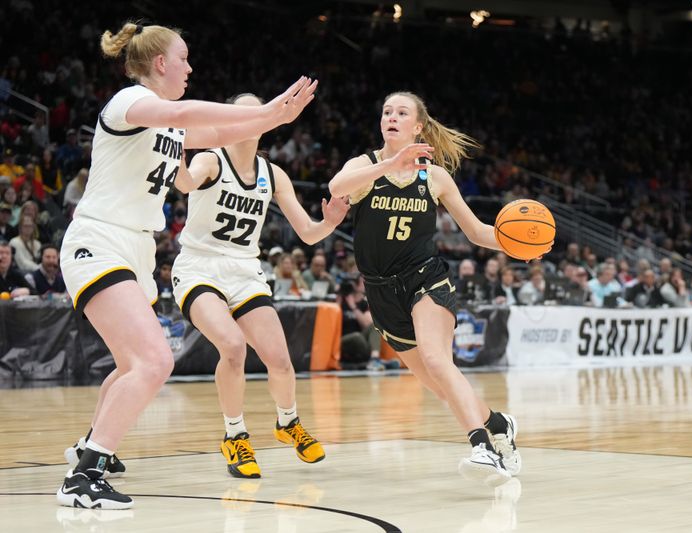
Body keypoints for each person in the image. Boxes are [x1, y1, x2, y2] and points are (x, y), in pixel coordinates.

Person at [57, 21, 317, 510]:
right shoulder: (129, 102)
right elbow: (189, 113)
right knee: (156, 361)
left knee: (132, 364)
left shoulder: (171, 124)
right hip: (100, 239)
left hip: (134, 248)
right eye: (184, 57)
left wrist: (275, 120)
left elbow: (220, 129)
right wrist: (264, 110)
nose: (190, 67)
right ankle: (84, 474)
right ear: (160, 63)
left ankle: (89, 450)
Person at [329, 91, 521, 487]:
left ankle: (481, 447)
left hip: (425, 280)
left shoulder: (433, 177)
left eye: (401, 112)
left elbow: (477, 231)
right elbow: (337, 186)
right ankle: (498, 422)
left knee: (438, 361)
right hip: (381, 292)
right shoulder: (366, 167)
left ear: (417, 126)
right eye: (386, 111)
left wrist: (516, 245)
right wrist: (388, 165)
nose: (391, 117)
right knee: (439, 384)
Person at [171, 93, 348, 478]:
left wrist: (331, 221)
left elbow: (309, 233)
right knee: (232, 347)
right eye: (243, 111)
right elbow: (184, 183)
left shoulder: (274, 174)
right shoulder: (210, 158)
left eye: (258, 111)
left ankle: (288, 423)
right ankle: (235, 435)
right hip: (199, 267)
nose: (253, 116)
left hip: (245, 270)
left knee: (281, 361)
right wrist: (178, 145)